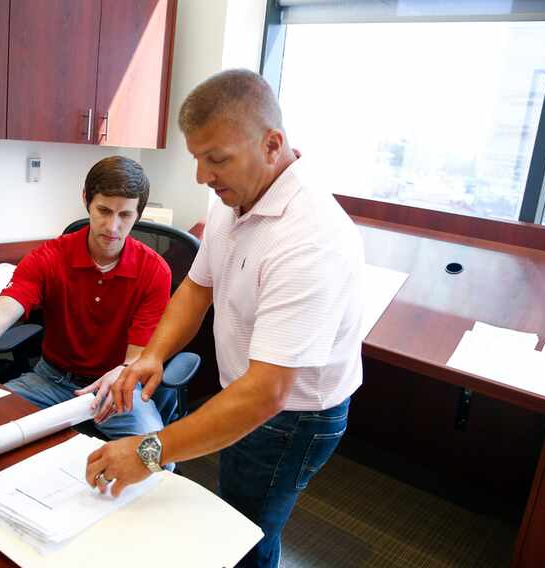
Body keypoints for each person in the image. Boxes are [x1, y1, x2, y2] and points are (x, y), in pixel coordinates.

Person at [84, 69, 364, 567]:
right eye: (197, 158)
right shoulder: (234, 199)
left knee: (245, 533)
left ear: (272, 144)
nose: (201, 177)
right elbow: (196, 288)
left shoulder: (310, 238)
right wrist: (154, 355)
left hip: (294, 416)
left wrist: (149, 453)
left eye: (216, 159)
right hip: (248, 390)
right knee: (231, 517)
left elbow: (269, 393)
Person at [0, 156, 172, 440]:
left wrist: (124, 375)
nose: (112, 226)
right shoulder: (49, 257)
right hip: (49, 379)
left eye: (125, 215)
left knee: (155, 457)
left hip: (116, 386)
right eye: (103, 210)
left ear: (139, 214)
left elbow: (136, 359)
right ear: (86, 200)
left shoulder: (154, 271)